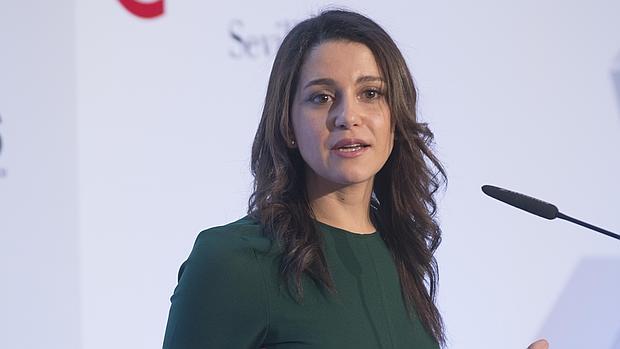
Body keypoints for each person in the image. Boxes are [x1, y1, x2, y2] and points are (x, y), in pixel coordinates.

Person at [162, 9, 550, 349]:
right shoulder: (236, 260)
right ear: (288, 126)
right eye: (322, 97)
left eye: (370, 93)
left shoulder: (401, 254)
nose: (348, 116)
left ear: (395, 119)